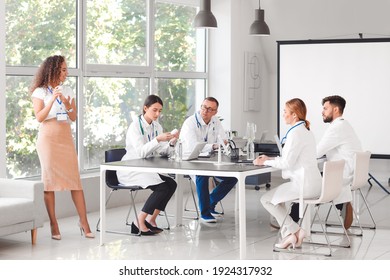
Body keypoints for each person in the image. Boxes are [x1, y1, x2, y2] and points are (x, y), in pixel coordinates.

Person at [30, 55, 94, 240]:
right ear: (54, 69)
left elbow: (73, 117)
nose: (67, 73)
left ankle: (84, 222)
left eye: (67, 69)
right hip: (48, 138)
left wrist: (66, 103)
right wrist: (52, 100)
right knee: (49, 182)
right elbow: (39, 117)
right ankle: (53, 223)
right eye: (64, 69)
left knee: (75, 181)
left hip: (65, 137)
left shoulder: (68, 89)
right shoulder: (40, 92)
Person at [254, 98, 322, 249]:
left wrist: (264, 161)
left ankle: (296, 230)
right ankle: (290, 236)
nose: (283, 114)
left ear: (294, 116)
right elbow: (290, 158)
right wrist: (270, 158)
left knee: (266, 200)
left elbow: (287, 163)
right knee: (278, 200)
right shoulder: (305, 131)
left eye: (285, 112)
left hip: (303, 186)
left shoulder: (296, 134)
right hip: (313, 183)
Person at [117, 95, 178, 235]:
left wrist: (171, 142)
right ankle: (138, 222)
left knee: (171, 184)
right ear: (145, 108)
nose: (157, 114)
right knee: (162, 188)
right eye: (154, 110)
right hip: (131, 168)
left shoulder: (157, 126)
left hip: (146, 167)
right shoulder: (135, 127)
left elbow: (162, 151)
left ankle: (151, 220)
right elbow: (141, 153)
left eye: (160, 111)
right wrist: (157, 139)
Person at [179, 97, 238, 223]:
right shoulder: (190, 123)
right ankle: (204, 212)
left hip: (208, 159)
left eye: (210, 109)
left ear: (215, 112)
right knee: (202, 175)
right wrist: (214, 145)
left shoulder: (215, 121)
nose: (205, 111)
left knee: (232, 178)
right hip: (190, 160)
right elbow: (193, 147)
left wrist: (222, 143)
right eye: (204, 107)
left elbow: (221, 139)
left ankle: (210, 202)